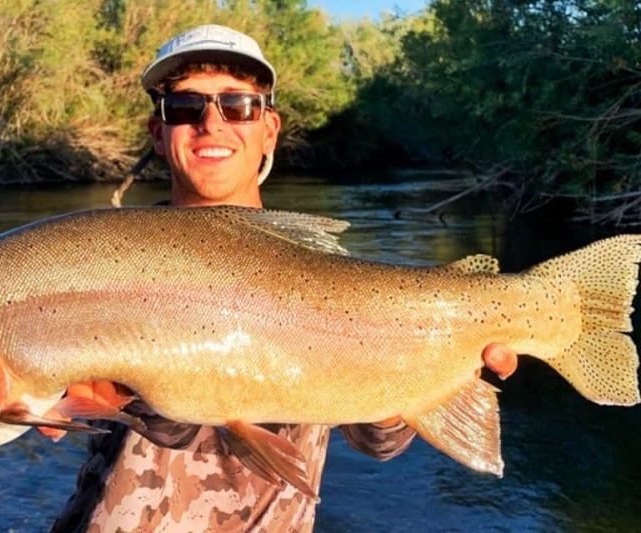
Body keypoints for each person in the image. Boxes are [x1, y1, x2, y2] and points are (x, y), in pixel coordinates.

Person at [50, 24, 519, 532]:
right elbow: (53, 411)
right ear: (158, 134)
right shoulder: (104, 260)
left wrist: (434, 370)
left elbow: (377, 440)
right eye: (185, 107)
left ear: (268, 128)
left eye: (238, 105)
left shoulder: (320, 268)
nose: (212, 122)